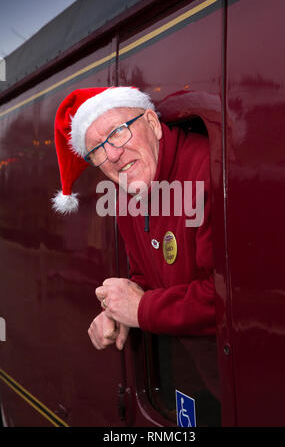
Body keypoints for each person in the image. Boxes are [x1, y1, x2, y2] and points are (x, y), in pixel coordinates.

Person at [52, 86, 216, 352]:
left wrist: (141, 309)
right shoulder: (126, 196)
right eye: (98, 150)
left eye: (118, 132)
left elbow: (229, 297)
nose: (114, 155)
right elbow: (145, 274)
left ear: (153, 123)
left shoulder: (208, 173)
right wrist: (117, 312)